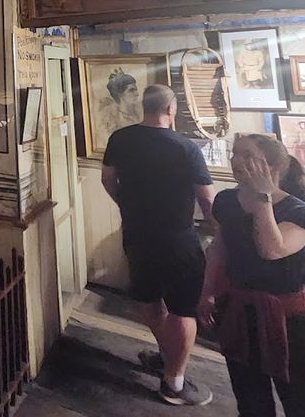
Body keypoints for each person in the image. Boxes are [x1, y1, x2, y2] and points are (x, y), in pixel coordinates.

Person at [101, 84, 216, 406]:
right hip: (178, 237)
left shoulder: (120, 138)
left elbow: (108, 179)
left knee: (149, 299)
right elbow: (206, 197)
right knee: (183, 308)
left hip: (137, 233)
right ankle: (174, 384)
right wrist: (216, 228)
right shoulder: (185, 147)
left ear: (144, 107)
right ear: (171, 109)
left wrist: (127, 205)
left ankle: (168, 356)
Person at [198, 134, 305, 417]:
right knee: (250, 397)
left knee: (298, 397)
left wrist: (263, 197)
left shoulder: (298, 210)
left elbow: (272, 249)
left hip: (289, 319)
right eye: (236, 154)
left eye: (248, 156)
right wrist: (207, 291)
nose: (237, 161)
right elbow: (220, 248)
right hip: (239, 310)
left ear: (272, 166)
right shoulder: (226, 200)